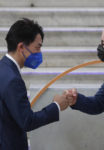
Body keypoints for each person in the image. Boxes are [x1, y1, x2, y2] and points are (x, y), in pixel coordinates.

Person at [0, 18, 72, 150]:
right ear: (21, 47)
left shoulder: (3, 68)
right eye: (37, 47)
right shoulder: (12, 79)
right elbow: (27, 121)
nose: (39, 53)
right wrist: (56, 106)